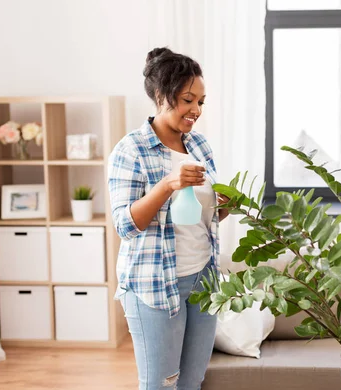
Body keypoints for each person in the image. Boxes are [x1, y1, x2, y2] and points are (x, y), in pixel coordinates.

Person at [107, 47, 229, 390]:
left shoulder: (200, 146)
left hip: (202, 278)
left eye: (201, 101)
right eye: (188, 99)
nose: (196, 110)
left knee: (192, 382)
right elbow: (125, 226)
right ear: (161, 95)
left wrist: (224, 206)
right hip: (154, 284)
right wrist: (167, 185)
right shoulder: (130, 150)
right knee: (161, 385)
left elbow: (201, 220)